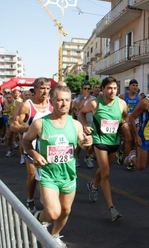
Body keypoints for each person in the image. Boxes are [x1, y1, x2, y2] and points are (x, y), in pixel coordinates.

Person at [22, 85, 92, 247]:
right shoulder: (40, 124)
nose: (63, 104)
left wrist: (88, 141)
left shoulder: (75, 125)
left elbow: (83, 142)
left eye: (67, 100)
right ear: (52, 101)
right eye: (59, 100)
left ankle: (54, 235)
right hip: (48, 175)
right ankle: (39, 216)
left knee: (66, 211)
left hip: (68, 175)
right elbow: (26, 141)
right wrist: (34, 154)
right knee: (54, 213)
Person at [80, 77, 128, 221]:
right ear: (102, 89)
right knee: (106, 173)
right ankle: (111, 208)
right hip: (99, 140)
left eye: (114, 88)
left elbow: (126, 118)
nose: (112, 91)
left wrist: (126, 128)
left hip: (114, 141)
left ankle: (93, 185)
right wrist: (85, 126)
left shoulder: (121, 103)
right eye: (109, 88)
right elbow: (82, 113)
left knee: (104, 170)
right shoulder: (94, 103)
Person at [11, 77, 53, 214]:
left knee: (49, 176)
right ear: (35, 89)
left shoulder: (52, 104)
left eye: (47, 88)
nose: (45, 91)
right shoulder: (27, 105)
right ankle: (30, 200)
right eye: (42, 88)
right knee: (32, 175)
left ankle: (49, 206)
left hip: (49, 147)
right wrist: (30, 129)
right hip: (31, 145)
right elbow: (14, 126)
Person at [116, 79, 139, 170]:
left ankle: (121, 151)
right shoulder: (122, 96)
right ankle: (129, 160)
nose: (135, 87)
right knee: (128, 139)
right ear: (129, 87)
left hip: (135, 121)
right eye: (133, 85)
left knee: (133, 140)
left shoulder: (139, 98)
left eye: (136, 85)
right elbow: (117, 109)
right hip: (124, 120)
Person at [74, 81, 96, 168]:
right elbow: (79, 107)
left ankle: (87, 157)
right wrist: (85, 98)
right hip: (81, 123)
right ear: (82, 89)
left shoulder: (94, 98)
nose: (87, 90)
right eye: (85, 88)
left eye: (88, 88)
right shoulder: (79, 98)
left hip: (91, 123)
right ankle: (76, 158)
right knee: (80, 142)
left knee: (91, 142)